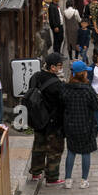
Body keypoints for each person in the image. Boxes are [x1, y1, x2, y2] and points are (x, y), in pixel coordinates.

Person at [27, 51, 65, 185]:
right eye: (59, 65)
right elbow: (62, 103)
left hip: (37, 119)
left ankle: (36, 173)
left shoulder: (36, 76)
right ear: (52, 67)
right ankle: (52, 177)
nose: (61, 68)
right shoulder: (56, 84)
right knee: (54, 150)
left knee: (38, 146)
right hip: (53, 122)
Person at [61, 60, 98, 189]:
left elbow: (62, 104)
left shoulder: (66, 89)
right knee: (85, 152)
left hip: (71, 125)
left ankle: (68, 180)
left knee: (71, 151)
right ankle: (84, 180)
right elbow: (95, 105)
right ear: (82, 74)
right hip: (86, 125)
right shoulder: (87, 90)